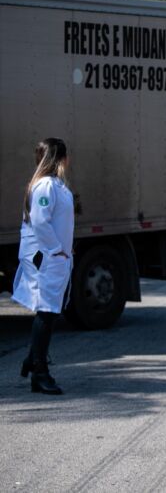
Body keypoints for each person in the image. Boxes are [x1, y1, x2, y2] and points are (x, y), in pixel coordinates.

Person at [12, 138, 75, 395]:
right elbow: (40, 222)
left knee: (49, 311)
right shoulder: (46, 185)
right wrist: (55, 249)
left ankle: (32, 360)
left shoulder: (54, 185)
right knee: (46, 313)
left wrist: (66, 247)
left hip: (55, 258)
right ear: (61, 158)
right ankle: (40, 373)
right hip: (46, 258)